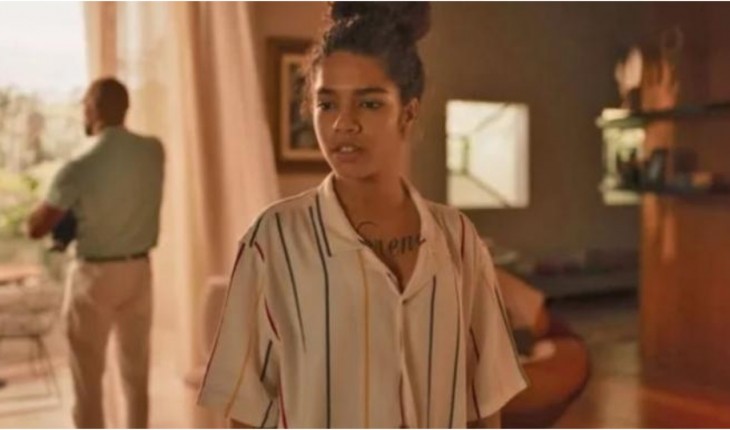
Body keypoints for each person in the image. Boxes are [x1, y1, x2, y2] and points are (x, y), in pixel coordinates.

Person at [197, 3, 526, 428]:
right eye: (327, 104)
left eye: (369, 104)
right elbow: (245, 408)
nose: (343, 124)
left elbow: (486, 400)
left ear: (408, 112)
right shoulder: (273, 240)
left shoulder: (457, 238)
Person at [26, 77, 164, 428]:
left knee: (87, 379)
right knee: (136, 376)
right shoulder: (154, 151)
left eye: (84, 105)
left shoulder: (79, 166)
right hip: (139, 271)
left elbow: (36, 227)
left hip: (94, 277)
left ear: (92, 109)